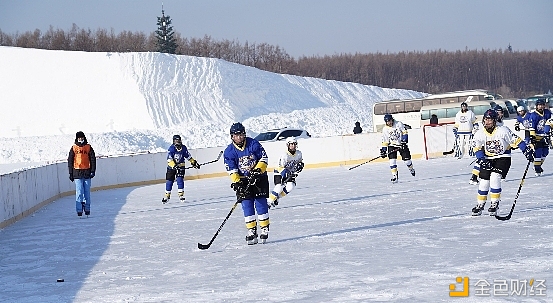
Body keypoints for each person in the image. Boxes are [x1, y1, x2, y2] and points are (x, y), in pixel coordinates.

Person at [470, 109, 534, 216]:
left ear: (495, 121)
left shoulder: (503, 130)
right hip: (488, 158)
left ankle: (494, 203)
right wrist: (481, 159)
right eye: (486, 120)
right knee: (484, 181)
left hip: (503, 157)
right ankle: (480, 204)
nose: (487, 122)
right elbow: (476, 148)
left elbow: (517, 140)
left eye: (490, 120)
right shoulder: (480, 134)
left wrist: (526, 151)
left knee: (495, 176)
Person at [224, 122, 270, 245]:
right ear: (232, 136)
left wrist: (258, 170)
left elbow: (264, 158)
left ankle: (264, 227)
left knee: (260, 202)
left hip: (259, 177)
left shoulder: (253, 143)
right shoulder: (229, 151)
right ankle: (252, 230)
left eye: (241, 134)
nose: (239, 137)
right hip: (243, 181)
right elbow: (231, 169)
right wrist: (237, 183)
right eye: (236, 135)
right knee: (246, 204)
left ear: (244, 134)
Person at [162, 135, 200, 203]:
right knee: (169, 182)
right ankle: (167, 195)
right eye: (176, 141)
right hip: (171, 168)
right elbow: (169, 159)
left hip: (181, 166)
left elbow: (188, 156)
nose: (178, 142)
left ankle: (181, 195)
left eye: (179, 140)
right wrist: (174, 166)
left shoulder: (184, 148)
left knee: (180, 180)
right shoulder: (171, 148)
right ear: (173, 141)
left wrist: (194, 162)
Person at [267, 137, 304, 208]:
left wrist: (300, 165)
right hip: (279, 172)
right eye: (291, 144)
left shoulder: (299, 153)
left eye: (294, 144)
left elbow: (299, 163)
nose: (293, 146)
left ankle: (277, 198)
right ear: (288, 145)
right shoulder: (285, 155)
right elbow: (280, 167)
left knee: (291, 186)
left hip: (289, 173)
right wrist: (286, 174)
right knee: (279, 187)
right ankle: (269, 201)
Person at [380, 113, 415, 183]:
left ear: (392, 120)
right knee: (392, 161)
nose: (389, 123)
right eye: (387, 122)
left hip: (401, 144)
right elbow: (385, 140)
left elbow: (405, 132)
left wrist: (404, 141)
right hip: (392, 145)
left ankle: (411, 169)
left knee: (407, 161)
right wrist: (383, 150)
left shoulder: (399, 124)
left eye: (390, 121)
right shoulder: (385, 129)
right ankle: (394, 176)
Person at [68, 131, 96, 217]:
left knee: (87, 192)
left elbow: (93, 159)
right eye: (79, 138)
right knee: (79, 192)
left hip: (87, 173)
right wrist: (71, 173)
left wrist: (92, 171)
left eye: (82, 138)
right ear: (77, 139)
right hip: (77, 173)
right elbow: (70, 161)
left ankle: (87, 208)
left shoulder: (88, 147)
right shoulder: (74, 148)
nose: (81, 140)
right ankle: (79, 210)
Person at [528, 99, 552, 176]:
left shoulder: (547, 113)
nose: (541, 106)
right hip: (537, 137)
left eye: (542, 105)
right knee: (538, 153)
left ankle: (537, 165)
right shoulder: (533, 115)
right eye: (539, 105)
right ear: (536, 106)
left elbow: (550, 122)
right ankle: (537, 169)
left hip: (545, 136)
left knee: (545, 152)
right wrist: (532, 137)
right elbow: (532, 127)